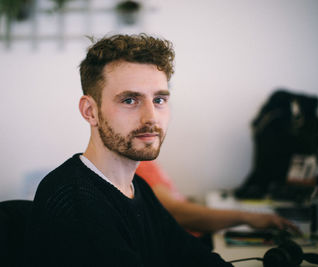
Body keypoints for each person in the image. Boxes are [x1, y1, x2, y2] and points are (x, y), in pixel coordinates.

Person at [24, 34, 232, 267]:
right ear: (90, 111)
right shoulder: (74, 201)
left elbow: (192, 255)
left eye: (159, 100)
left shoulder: (137, 187)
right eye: (130, 100)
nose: (151, 117)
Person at [136, 161, 299, 235]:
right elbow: (177, 213)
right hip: (190, 242)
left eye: (159, 101)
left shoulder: (144, 161)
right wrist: (247, 217)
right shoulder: (138, 167)